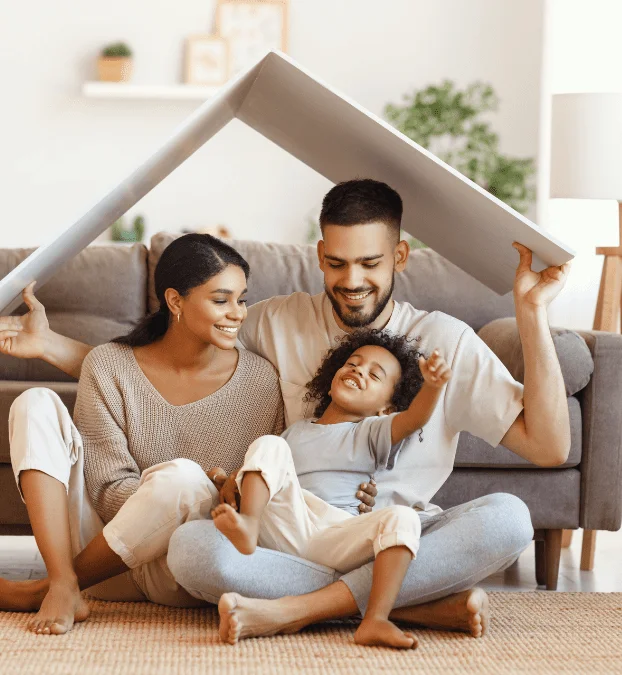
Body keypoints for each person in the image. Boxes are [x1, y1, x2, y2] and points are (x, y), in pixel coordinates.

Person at [0, 178, 571, 641]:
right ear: (320, 254)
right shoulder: (275, 321)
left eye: (370, 263)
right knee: (194, 550)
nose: (353, 281)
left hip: (393, 537)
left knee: (510, 519)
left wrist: (530, 313)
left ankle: (300, 610)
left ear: (400, 255)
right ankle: (402, 604)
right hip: (284, 537)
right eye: (338, 263)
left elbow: (549, 448)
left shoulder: (442, 340)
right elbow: (169, 366)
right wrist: (52, 347)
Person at [0, 234, 284, 635]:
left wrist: (215, 489)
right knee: (34, 403)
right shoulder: (109, 365)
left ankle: (48, 589)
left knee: (184, 479)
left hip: (186, 562)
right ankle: (63, 580)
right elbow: (107, 492)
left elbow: (260, 490)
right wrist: (177, 490)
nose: (237, 313)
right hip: (109, 562)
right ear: (175, 301)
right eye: (221, 300)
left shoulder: (261, 379)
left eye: (241, 299)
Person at [212, 330, 451, 648]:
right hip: (285, 525)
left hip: (334, 533)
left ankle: (376, 619)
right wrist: (227, 480)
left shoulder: (370, 432)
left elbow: (415, 419)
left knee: (403, 518)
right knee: (269, 444)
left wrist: (433, 387)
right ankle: (248, 525)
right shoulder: (295, 430)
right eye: (353, 363)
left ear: (386, 407)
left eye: (374, 375)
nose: (358, 371)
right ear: (333, 374)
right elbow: (266, 471)